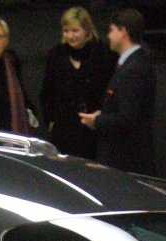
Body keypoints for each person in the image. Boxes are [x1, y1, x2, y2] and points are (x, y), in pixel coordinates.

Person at [79, 8, 157, 174]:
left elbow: (127, 118)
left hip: (126, 160)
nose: (108, 35)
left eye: (111, 30)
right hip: (125, 158)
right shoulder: (133, 63)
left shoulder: (133, 69)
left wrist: (97, 121)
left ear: (123, 31)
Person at [40, 6, 116, 159]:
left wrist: (102, 116)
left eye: (75, 31)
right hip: (64, 128)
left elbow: (111, 90)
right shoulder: (56, 55)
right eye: (66, 31)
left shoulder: (103, 54)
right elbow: (47, 91)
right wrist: (51, 121)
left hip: (93, 128)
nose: (70, 36)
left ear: (87, 30)